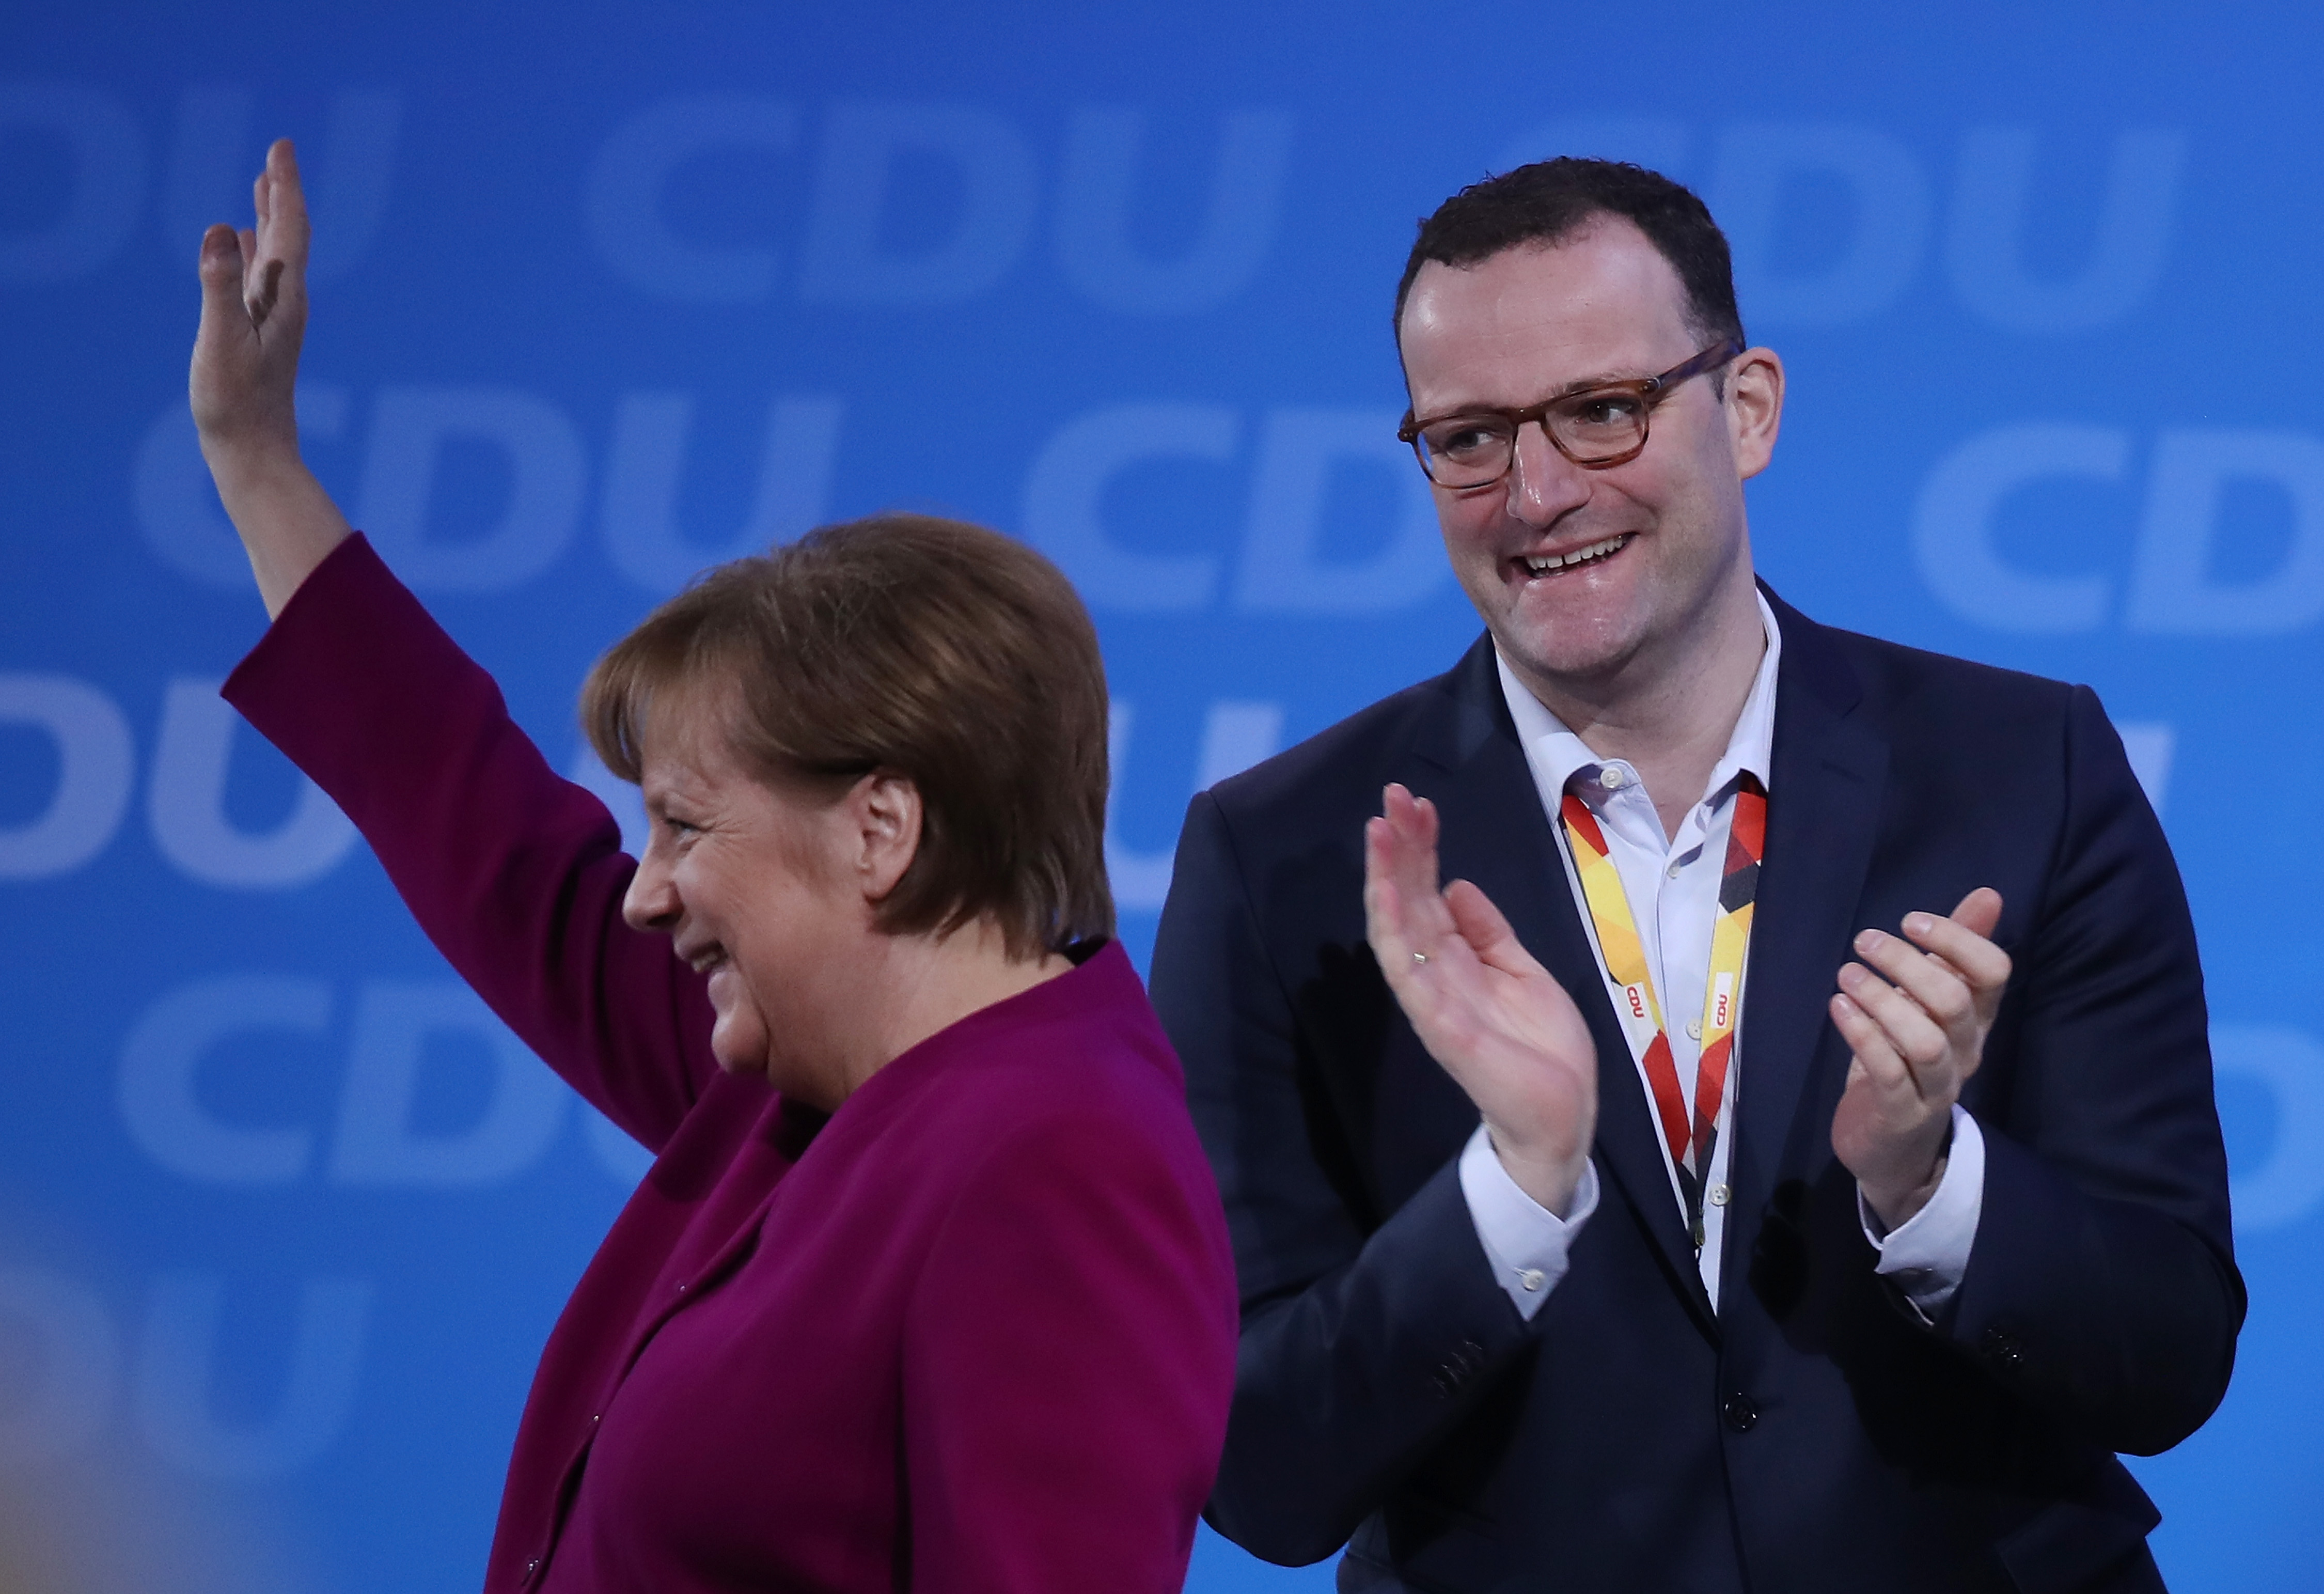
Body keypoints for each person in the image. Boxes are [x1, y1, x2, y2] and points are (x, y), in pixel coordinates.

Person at [1150, 158, 2242, 1592]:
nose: (1536, 494)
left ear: (1746, 408)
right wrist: (1512, 1195)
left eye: (1601, 412)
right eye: (1467, 438)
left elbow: (2167, 1359)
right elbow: (1257, 1473)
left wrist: (1927, 1184)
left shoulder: (2021, 768)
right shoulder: (1285, 858)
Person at [190, 140, 1238, 1593]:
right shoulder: (785, 1087)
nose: (642, 887)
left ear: (879, 829)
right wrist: (259, 469)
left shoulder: (1059, 1163)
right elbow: (488, 834)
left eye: (685, 826)